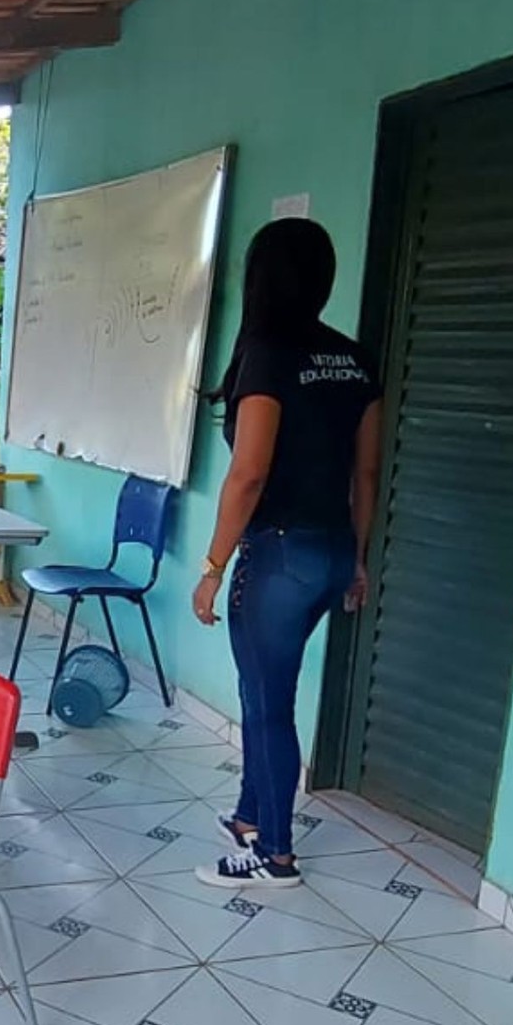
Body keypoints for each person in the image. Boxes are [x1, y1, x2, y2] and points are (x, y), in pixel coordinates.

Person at [191, 218, 382, 888]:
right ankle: (250, 813)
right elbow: (365, 475)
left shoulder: (268, 352)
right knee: (266, 694)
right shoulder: (355, 358)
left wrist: (213, 568)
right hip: (330, 553)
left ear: (260, 279)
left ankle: (274, 853)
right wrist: (357, 560)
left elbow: (249, 473)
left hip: (277, 557)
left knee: (267, 704)